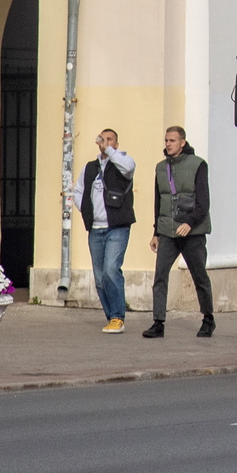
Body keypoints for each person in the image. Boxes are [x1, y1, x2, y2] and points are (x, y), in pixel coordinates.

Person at [142, 126, 215, 339]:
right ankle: (158, 322)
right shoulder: (160, 168)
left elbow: (203, 203)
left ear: (182, 142)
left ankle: (208, 319)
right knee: (160, 276)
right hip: (167, 231)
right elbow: (160, 202)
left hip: (192, 232)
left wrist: (190, 223)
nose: (168, 144)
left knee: (199, 275)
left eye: (172, 140)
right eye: (166, 140)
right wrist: (156, 231)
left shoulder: (198, 165)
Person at [73, 129, 136, 333]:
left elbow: (128, 169)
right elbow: (78, 191)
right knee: (100, 277)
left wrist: (109, 151)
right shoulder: (90, 168)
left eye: (110, 140)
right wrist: (87, 211)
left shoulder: (123, 162)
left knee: (111, 270)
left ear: (116, 144)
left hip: (117, 227)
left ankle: (118, 316)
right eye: (103, 139)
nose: (105, 143)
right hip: (96, 229)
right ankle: (111, 317)